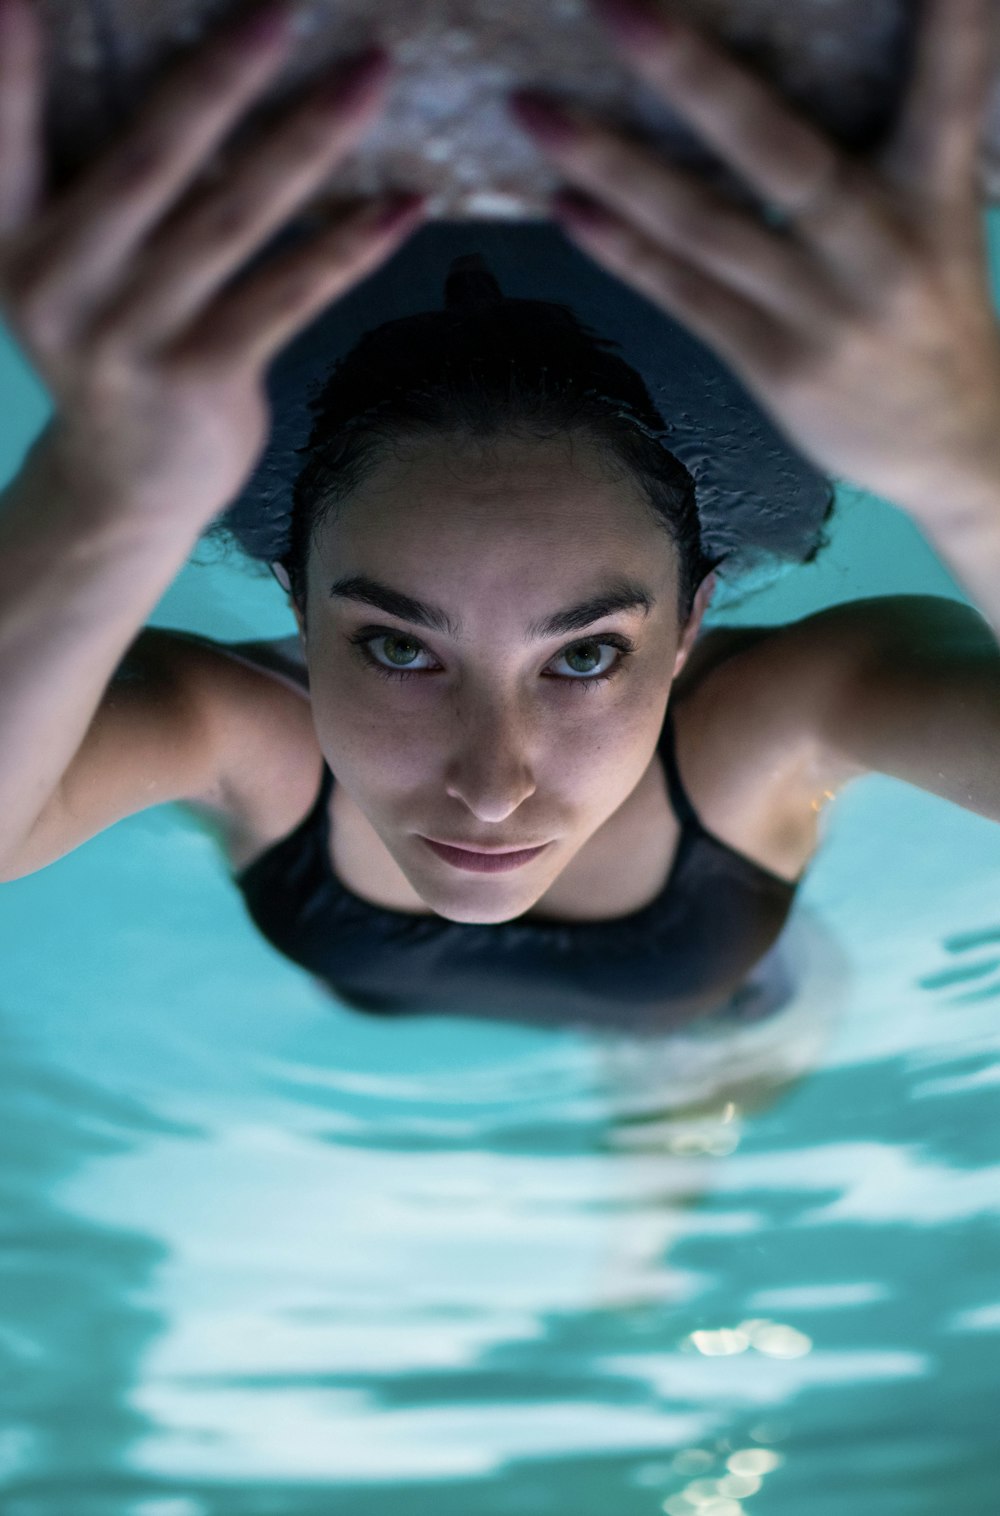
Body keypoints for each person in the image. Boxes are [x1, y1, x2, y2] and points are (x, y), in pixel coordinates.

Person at [1, 0, 998, 1033]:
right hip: (392, 996)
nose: (490, 788)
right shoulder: (242, 729)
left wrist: (968, 466)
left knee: (697, 1087)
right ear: (297, 605)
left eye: (584, 656)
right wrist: (103, 495)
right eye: (394, 645)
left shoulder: (780, 721)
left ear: (689, 623)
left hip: (714, 1008)